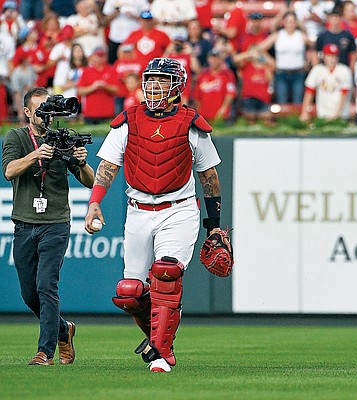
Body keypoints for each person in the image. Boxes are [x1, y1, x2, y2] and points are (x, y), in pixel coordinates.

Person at [84, 58, 224, 373]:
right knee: (129, 292)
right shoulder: (128, 120)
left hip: (179, 209)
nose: (153, 86)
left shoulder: (192, 123)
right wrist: (95, 202)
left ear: (177, 86)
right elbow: (108, 166)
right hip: (138, 210)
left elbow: (209, 178)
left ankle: (160, 355)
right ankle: (160, 339)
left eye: (161, 80)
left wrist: (213, 227)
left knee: (166, 272)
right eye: (149, 80)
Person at [1, 86, 95, 366]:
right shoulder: (16, 137)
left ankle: (46, 351)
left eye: (49, 110)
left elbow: (89, 180)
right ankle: (64, 331)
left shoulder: (62, 139)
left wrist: (82, 162)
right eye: (40, 110)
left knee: (46, 285)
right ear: (27, 112)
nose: (46, 116)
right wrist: (35, 155)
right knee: (29, 293)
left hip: (55, 223)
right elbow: (8, 171)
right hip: (24, 224)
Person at [300, 43, 353, 122]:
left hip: (341, 115)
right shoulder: (317, 70)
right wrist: (304, 112)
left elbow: (344, 94)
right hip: (323, 114)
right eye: (329, 56)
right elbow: (309, 92)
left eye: (334, 56)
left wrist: (337, 114)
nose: (332, 59)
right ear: (324, 57)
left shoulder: (344, 71)